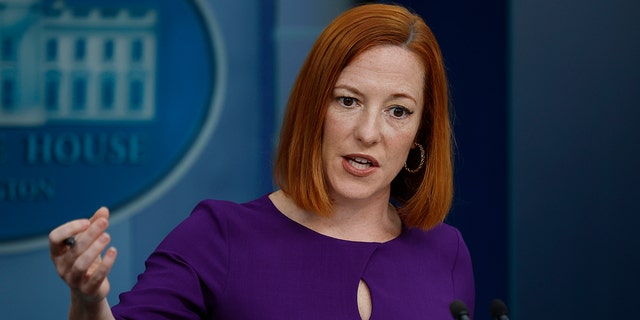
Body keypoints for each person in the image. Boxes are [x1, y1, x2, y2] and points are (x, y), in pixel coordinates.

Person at [49, 3, 474, 319]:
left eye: (398, 111)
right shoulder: (220, 237)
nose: (368, 132)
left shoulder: (445, 251)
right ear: (313, 111)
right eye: (348, 101)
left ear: (421, 131)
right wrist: (87, 301)